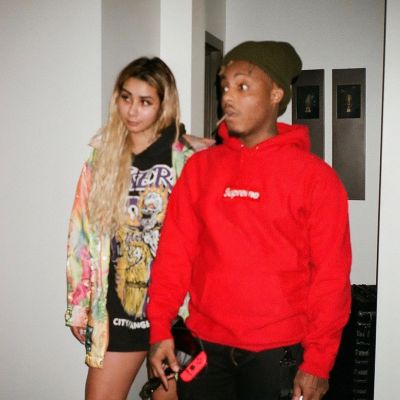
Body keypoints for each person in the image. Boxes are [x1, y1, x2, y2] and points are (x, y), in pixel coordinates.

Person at [147, 41, 352, 400]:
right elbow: (174, 255)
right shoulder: (200, 170)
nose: (228, 97)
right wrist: (160, 328)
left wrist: (319, 362)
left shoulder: (316, 178)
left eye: (243, 86)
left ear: (276, 94)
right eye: (225, 86)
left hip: (278, 354)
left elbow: (330, 278)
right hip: (204, 349)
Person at [65, 56, 213, 400]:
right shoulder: (101, 158)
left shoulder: (187, 159)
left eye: (145, 101)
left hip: (177, 311)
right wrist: (79, 304)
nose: (132, 111)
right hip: (118, 310)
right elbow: (81, 234)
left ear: (163, 104)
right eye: (126, 97)